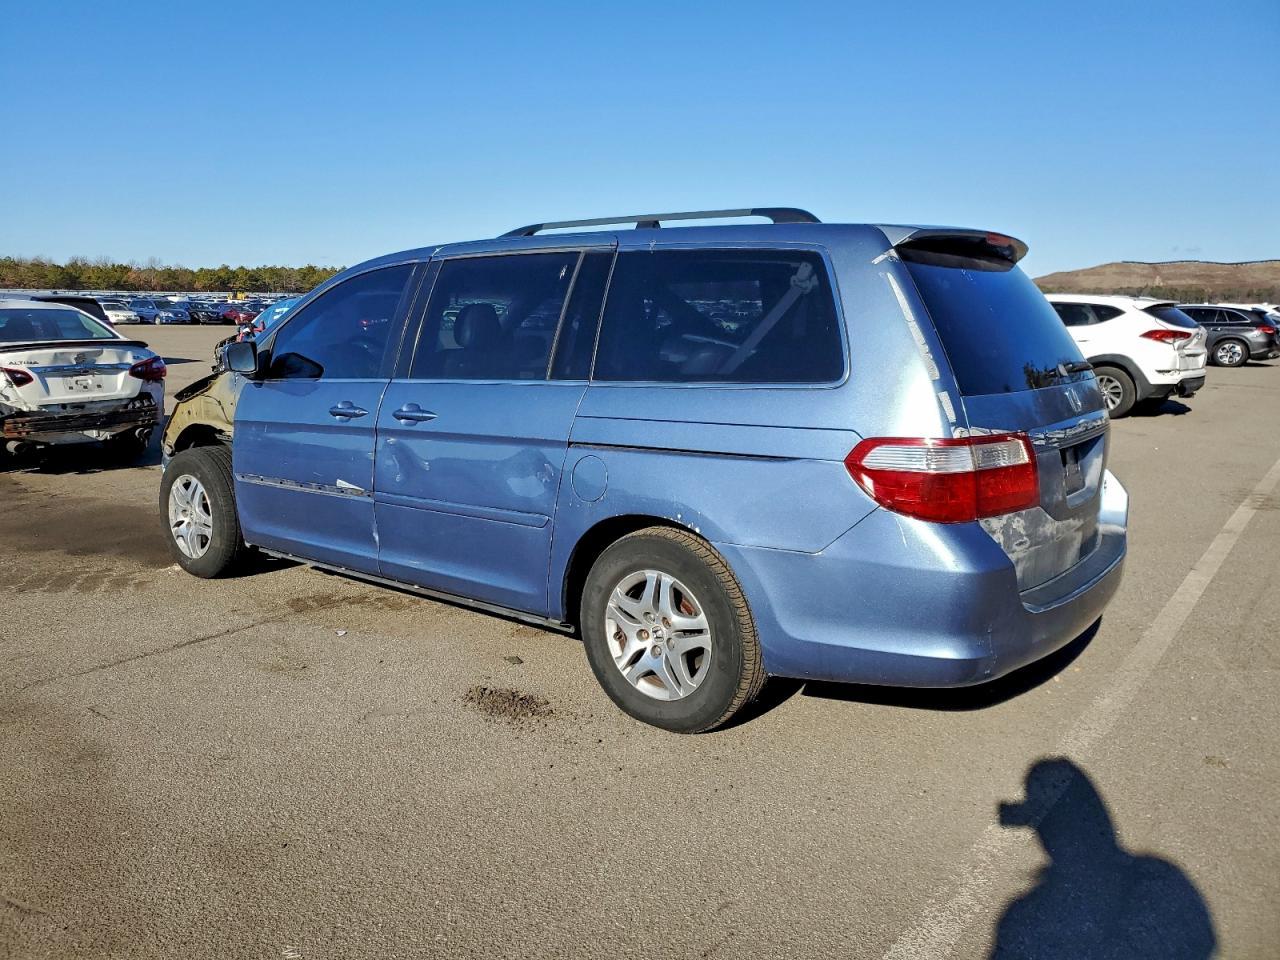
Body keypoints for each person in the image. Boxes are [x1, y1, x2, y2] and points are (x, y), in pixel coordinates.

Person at [991, 758, 1216, 959]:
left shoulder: (1027, 919)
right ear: (1102, 821)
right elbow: (1203, 940)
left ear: (1046, 836)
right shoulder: (1160, 880)